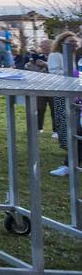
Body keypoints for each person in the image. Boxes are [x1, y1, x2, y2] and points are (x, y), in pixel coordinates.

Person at [47, 31, 80, 176]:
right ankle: (68, 157)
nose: (74, 44)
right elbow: (54, 73)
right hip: (63, 92)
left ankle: (71, 160)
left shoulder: (77, 57)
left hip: (77, 94)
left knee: (77, 127)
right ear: (62, 43)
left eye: (75, 41)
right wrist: (71, 76)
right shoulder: (56, 55)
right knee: (66, 122)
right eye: (70, 42)